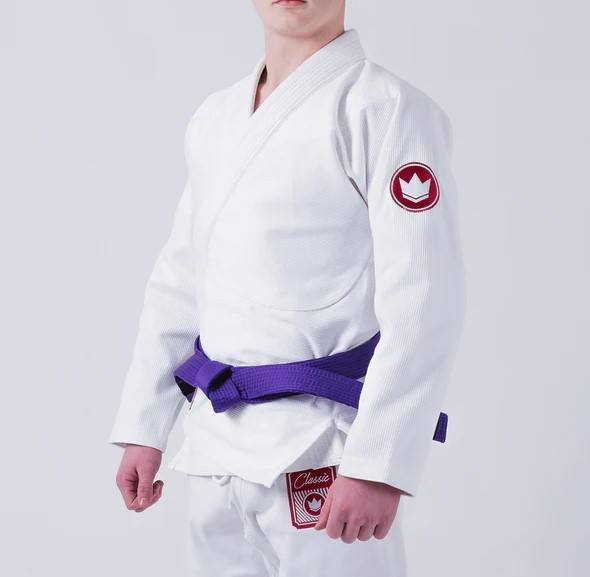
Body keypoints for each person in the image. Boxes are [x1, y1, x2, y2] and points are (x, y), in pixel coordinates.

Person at [109, 1, 466, 575]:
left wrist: (380, 463)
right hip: (215, 446)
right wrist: (145, 426)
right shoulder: (215, 118)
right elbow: (180, 283)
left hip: (325, 451)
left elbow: (424, 301)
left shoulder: (387, 109)